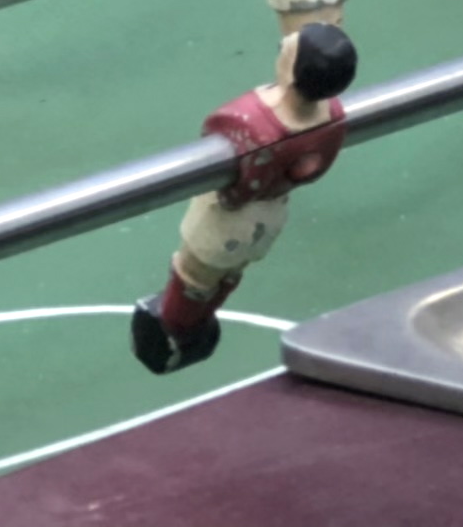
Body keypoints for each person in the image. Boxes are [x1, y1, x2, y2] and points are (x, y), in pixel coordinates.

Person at [135, 24, 357, 374]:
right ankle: (199, 318)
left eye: (289, 49)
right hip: (270, 214)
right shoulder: (331, 119)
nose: (283, 44)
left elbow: (217, 129)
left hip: (227, 218)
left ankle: (177, 331)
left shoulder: (255, 126)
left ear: (294, 72)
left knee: (193, 274)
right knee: (227, 274)